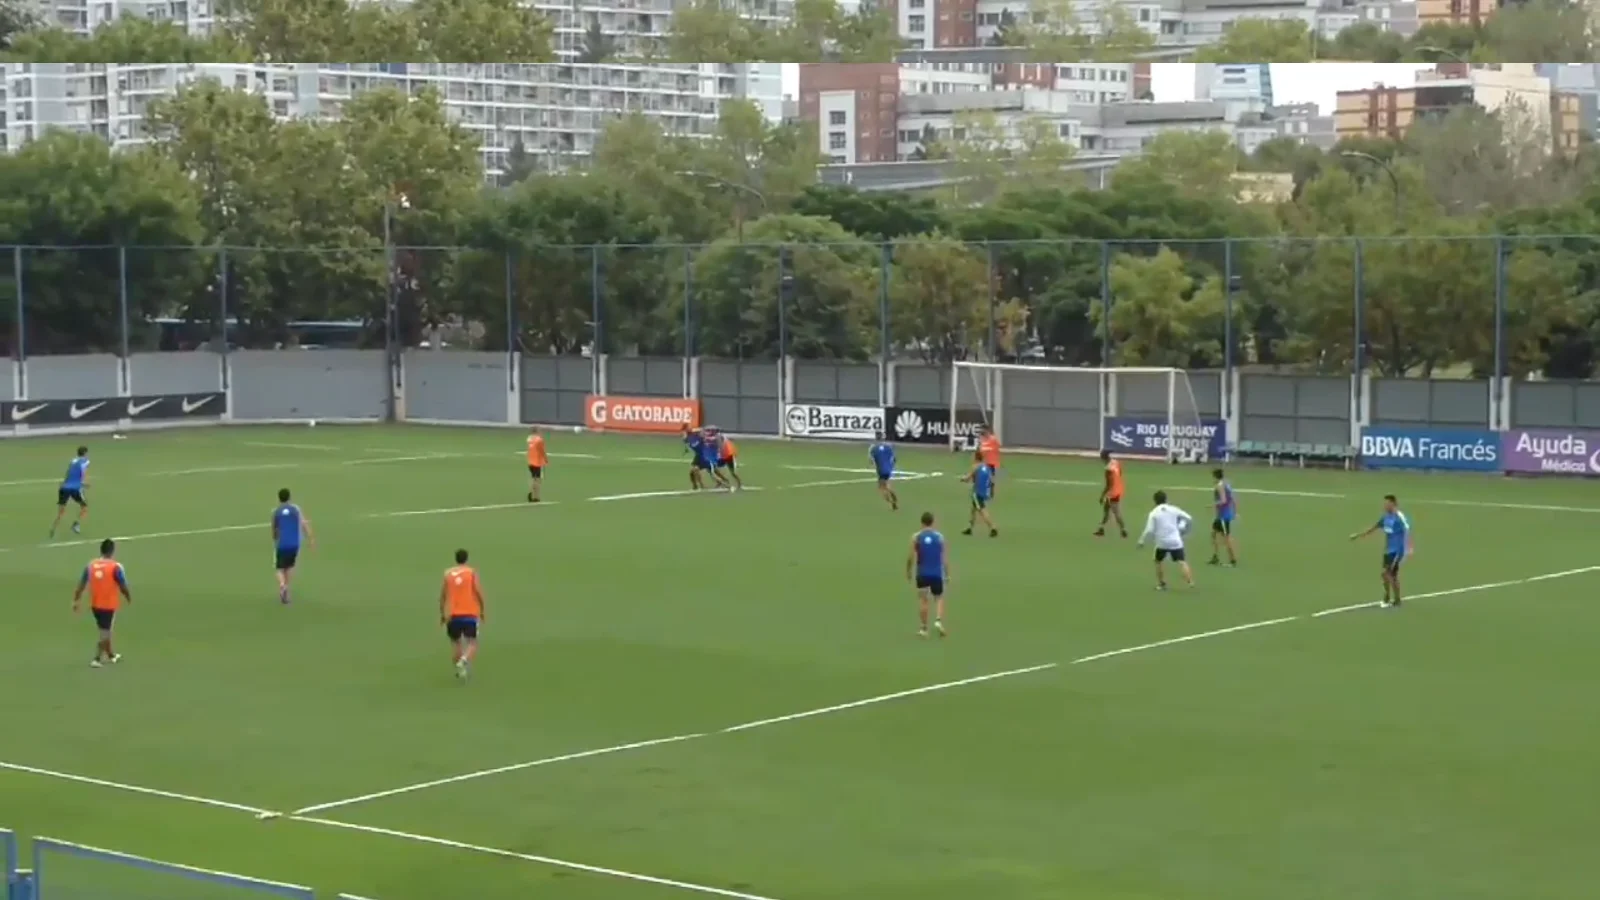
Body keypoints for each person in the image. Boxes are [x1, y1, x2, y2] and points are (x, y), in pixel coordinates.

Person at [73, 538, 131, 668]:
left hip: (95, 604)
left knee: (104, 628)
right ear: (112, 551)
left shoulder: (91, 565)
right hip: (108, 604)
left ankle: (111, 655)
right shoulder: (115, 566)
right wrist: (128, 597)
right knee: (105, 632)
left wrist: (76, 601)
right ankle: (96, 658)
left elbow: (81, 584)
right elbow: (122, 585)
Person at [1349, 494, 1412, 608]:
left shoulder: (1399, 517)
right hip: (1388, 550)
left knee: (1388, 574)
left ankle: (1389, 598)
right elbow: (1374, 527)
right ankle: (1394, 599)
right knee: (1388, 575)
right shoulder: (1385, 517)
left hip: (1398, 550)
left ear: (1393, 504)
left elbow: (1407, 530)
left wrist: (1409, 547)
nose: (1384, 505)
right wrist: (1358, 535)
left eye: (1387, 503)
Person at [440, 549, 485, 679]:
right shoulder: (471, 573)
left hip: (453, 615)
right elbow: (477, 591)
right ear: (466, 559)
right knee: (472, 643)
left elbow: (443, 595)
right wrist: (482, 610)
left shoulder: (448, 574)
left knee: (456, 644)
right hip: (470, 614)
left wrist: (442, 614)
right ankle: (464, 660)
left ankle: (461, 671)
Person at [1137, 490, 1194, 591]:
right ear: (1166, 499)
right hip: (1175, 541)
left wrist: (1141, 541)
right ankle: (1190, 581)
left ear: (1155, 501)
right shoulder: (1174, 509)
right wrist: (1184, 530)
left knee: (1158, 561)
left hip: (1162, 542)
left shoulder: (1153, 513)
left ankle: (1161, 584)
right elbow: (1188, 518)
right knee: (1182, 561)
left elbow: (1149, 529)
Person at [906, 511, 948, 638]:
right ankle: (938, 620)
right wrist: (947, 573)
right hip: (936, 573)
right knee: (939, 597)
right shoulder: (940, 537)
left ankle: (924, 629)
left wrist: (908, 570)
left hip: (922, 573)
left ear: (922, 522)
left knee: (924, 600)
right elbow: (944, 558)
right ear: (932, 522)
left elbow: (911, 557)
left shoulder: (916, 537)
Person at [271, 488, 314, 605]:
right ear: (289, 497)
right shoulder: (296, 509)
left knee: (279, 568)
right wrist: (310, 539)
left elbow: (274, 529)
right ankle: (286, 588)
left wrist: (275, 539)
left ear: (279, 498)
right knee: (290, 567)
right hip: (294, 544)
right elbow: (304, 524)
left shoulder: (276, 511)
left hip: (282, 543)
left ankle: (282, 585)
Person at [50, 446, 91, 539]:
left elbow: (68, 474)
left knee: (61, 511)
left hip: (64, 488)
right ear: (85, 453)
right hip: (74, 488)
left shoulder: (73, 461)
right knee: (84, 507)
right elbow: (83, 474)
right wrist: (85, 484)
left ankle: (54, 528)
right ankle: (76, 525)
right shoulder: (85, 462)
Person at [961, 451, 998, 537]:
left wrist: (962, 479)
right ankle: (969, 528)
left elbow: (967, 478)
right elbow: (992, 481)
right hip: (984, 491)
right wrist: (991, 492)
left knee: (982, 510)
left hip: (977, 492)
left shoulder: (975, 467)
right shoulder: (986, 467)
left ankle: (993, 528)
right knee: (973, 510)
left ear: (975, 457)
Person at [1093, 449, 1128, 538]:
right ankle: (1101, 529)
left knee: (1116, 512)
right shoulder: (1116, 462)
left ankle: (1123, 530)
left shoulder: (1108, 469)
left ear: (1104, 457)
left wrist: (1102, 495)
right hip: (1119, 488)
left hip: (1113, 492)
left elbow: (1108, 485)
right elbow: (1120, 473)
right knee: (1106, 509)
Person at [1209, 468, 1238, 566]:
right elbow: (1233, 499)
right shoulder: (1226, 484)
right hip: (1221, 516)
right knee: (1213, 535)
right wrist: (1235, 512)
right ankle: (1215, 557)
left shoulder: (1219, 486)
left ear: (1215, 477)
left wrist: (1212, 505)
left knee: (1227, 538)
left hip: (1223, 516)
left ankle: (1233, 560)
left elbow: (1223, 500)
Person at [869, 433, 898, 510]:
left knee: (881, 488)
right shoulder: (888, 446)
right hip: (889, 469)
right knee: (888, 485)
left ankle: (891, 503)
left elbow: (871, 461)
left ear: (876, 438)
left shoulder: (873, 448)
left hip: (881, 470)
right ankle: (891, 492)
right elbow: (894, 459)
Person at [526, 426, 548, 503]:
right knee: (538, 480)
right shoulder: (539, 440)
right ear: (537, 431)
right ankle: (536, 497)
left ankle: (530, 491)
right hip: (537, 462)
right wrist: (546, 460)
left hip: (530, 462)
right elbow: (542, 451)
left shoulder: (529, 439)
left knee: (532, 478)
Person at [978, 427, 1002, 496]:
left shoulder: (993, 439)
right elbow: (981, 450)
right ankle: (986, 490)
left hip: (992, 462)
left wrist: (987, 449)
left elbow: (996, 447)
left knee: (991, 477)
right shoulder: (983, 440)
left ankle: (991, 490)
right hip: (985, 462)